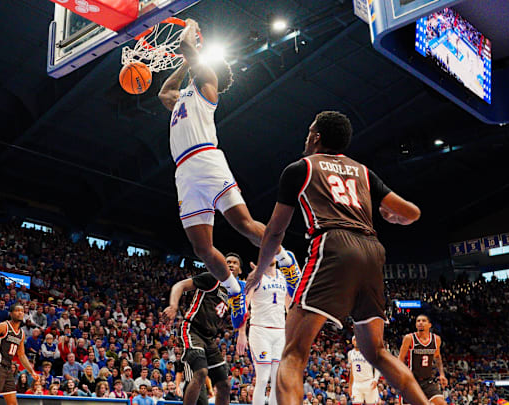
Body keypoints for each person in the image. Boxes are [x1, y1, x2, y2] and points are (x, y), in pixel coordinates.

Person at [247, 111, 429, 405]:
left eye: (309, 132)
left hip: (333, 244)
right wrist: (391, 217)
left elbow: (274, 232)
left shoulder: (300, 168)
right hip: (372, 250)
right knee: (377, 352)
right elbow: (412, 212)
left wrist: (257, 272)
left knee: (292, 354)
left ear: (317, 137)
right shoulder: (363, 172)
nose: (306, 138)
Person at [157, 18, 298, 327]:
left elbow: (184, 45)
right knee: (201, 247)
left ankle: (287, 261)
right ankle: (234, 292)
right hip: (184, 171)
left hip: (207, 159)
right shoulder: (183, 96)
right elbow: (163, 92)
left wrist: (192, 29)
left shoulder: (208, 84)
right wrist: (183, 62)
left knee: (244, 225)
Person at [162, 270, 231, 405]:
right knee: (200, 371)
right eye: (227, 262)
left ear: (240, 270)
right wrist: (173, 305)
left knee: (224, 384)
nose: (230, 265)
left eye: (235, 263)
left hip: (209, 338)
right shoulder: (213, 278)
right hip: (192, 329)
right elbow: (180, 285)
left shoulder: (234, 293)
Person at [236, 259, 291, 405]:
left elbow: (288, 306)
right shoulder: (256, 276)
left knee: (277, 379)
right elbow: (244, 305)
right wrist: (242, 333)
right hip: (260, 330)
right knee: (262, 377)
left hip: (280, 332)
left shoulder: (283, 276)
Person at [398, 315, 447, 405]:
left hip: (427, 381)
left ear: (429, 325)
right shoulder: (409, 338)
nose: (420, 322)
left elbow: (437, 357)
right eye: (418, 321)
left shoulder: (436, 339)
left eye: (423, 321)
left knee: (442, 403)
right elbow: (400, 359)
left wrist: (442, 374)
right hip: (411, 380)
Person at [349, 336, 381, 405]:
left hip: (368, 382)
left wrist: (375, 379)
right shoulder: (350, 353)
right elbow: (352, 371)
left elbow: (378, 366)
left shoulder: (368, 352)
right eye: (355, 340)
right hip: (356, 384)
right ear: (352, 342)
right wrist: (350, 385)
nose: (357, 341)